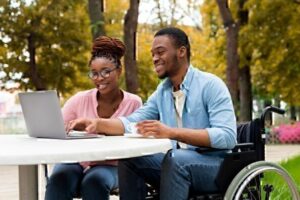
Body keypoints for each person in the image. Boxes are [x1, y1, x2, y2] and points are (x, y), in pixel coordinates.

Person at [68, 27, 237, 200]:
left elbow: (227, 136)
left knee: (175, 160)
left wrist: (171, 133)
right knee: (129, 157)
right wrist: (96, 123)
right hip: (176, 162)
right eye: (153, 54)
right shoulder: (162, 92)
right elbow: (130, 123)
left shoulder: (211, 85)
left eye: (160, 52)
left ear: (181, 52)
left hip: (216, 166)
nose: (155, 59)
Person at [45, 36, 142, 200]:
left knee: (94, 181)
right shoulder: (79, 99)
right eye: (94, 73)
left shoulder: (133, 103)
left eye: (106, 72)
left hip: (112, 165)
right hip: (77, 162)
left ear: (119, 71)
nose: (99, 78)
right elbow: (55, 128)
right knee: (58, 179)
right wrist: (69, 128)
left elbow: (136, 136)